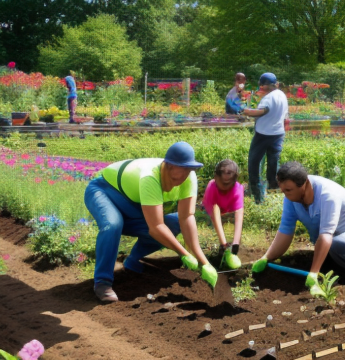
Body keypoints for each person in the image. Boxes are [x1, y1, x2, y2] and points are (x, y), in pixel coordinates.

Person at [84, 142, 216, 302]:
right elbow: (156, 227)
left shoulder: (189, 177)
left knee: (174, 223)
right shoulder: (151, 176)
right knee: (113, 224)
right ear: (168, 166)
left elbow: (186, 217)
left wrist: (204, 262)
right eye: (177, 174)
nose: (181, 179)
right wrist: (184, 254)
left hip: (132, 204)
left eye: (187, 172)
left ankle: (132, 261)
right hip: (104, 191)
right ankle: (102, 282)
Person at [252, 162, 345, 291]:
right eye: (283, 190)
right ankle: (328, 271)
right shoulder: (291, 199)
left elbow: (326, 235)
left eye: (288, 190)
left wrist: (313, 272)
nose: (285, 195)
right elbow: (285, 230)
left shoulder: (327, 195)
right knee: (328, 251)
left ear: (304, 184)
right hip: (330, 242)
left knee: (335, 245)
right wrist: (267, 257)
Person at [243, 73, 288, 205]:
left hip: (263, 135)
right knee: (273, 164)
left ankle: (258, 197)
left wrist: (243, 111)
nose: (261, 88)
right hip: (278, 134)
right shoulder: (282, 95)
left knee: (254, 164)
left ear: (265, 85)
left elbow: (262, 112)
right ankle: (275, 190)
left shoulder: (269, 98)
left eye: (262, 85)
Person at [202, 159, 245, 269]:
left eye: (229, 183)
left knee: (229, 225)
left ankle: (227, 254)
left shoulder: (238, 189)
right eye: (223, 183)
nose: (226, 186)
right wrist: (224, 244)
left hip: (226, 211)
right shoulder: (212, 187)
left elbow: (239, 215)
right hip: (209, 211)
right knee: (209, 229)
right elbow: (214, 214)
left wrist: (236, 242)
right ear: (216, 177)